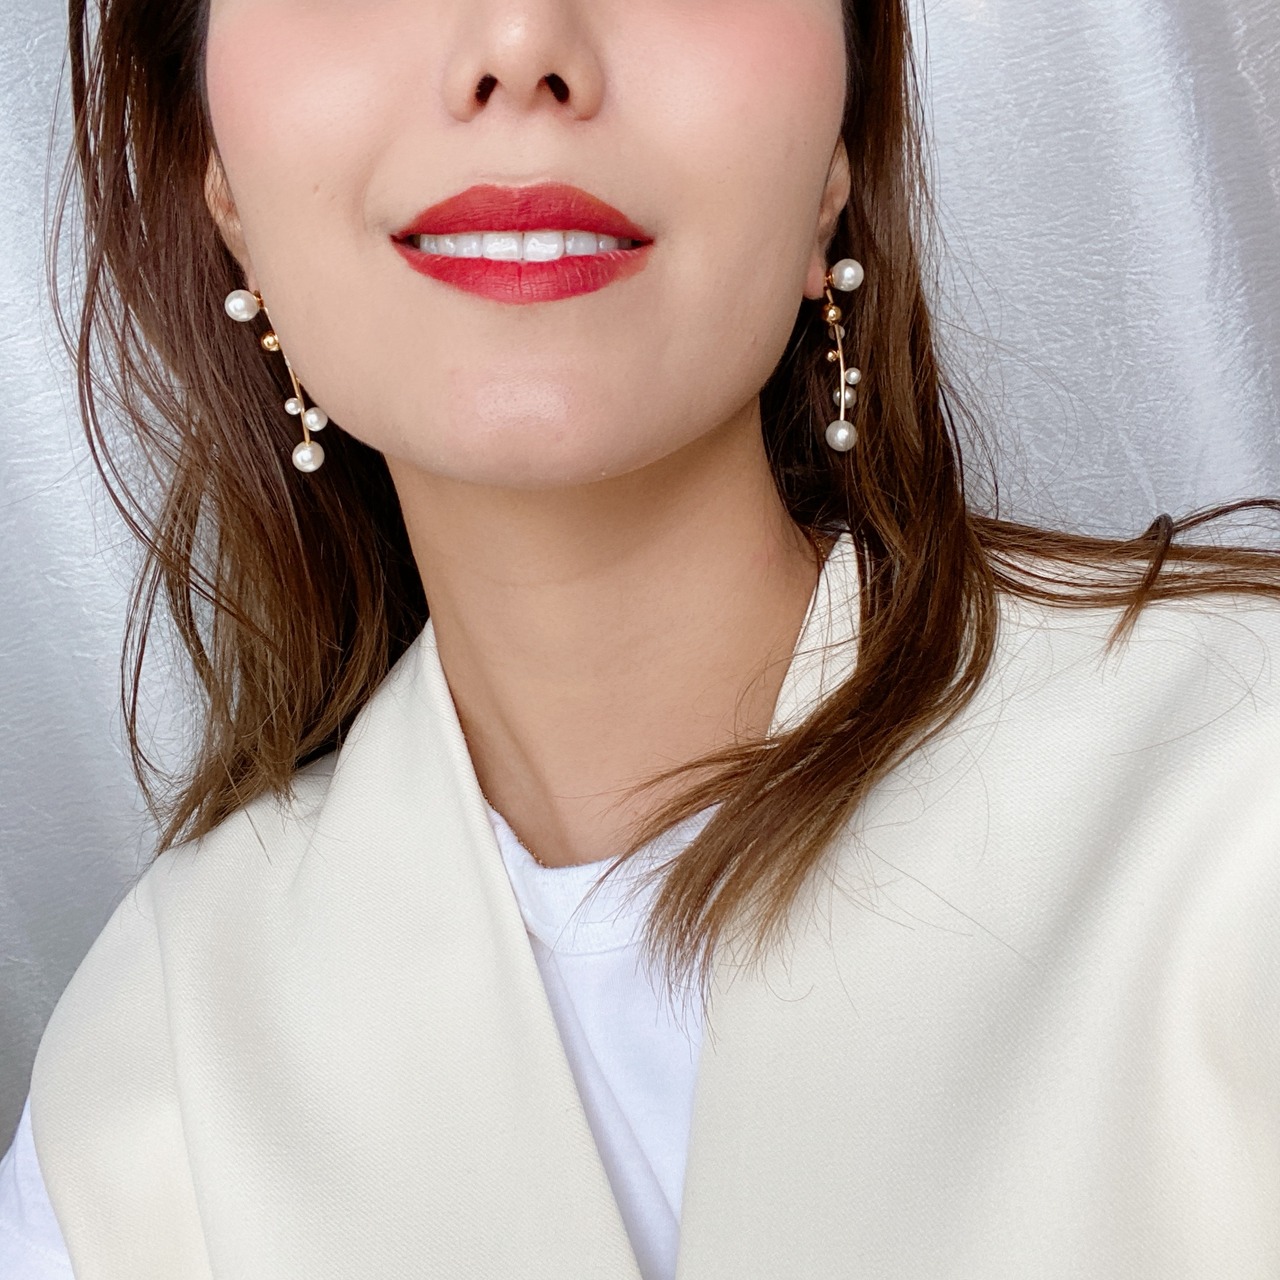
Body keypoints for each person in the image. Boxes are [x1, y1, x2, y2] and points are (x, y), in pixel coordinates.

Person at [3, 0, 1278, 1276]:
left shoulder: (1238, 793)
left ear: (835, 155)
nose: (518, 43)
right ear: (221, 185)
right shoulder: (143, 1088)